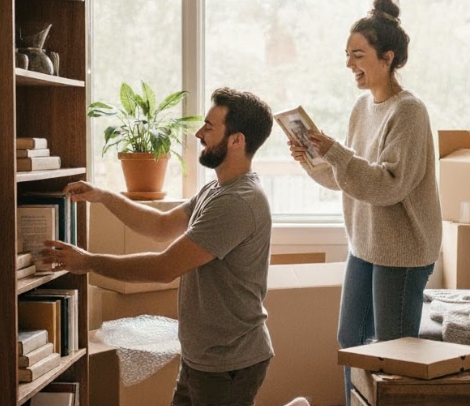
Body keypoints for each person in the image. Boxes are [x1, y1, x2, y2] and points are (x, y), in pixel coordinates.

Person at [43, 87, 275, 406]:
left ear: (237, 140)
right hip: (201, 357)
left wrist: (88, 262)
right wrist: (104, 196)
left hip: (228, 363)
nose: (198, 133)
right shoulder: (216, 190)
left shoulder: (238, 202)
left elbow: (164, 267)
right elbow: (160, 226)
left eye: (209, 127)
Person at [287, 1, 442, 404]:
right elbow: (349, 178)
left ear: (387, 58)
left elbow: (388, 185)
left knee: (392, 352)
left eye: (358, 55)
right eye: (347, 56)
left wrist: (336, 153)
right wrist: (310, 158)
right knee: (351, 341)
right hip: (366, 245)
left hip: (403, 250)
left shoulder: (409, 112)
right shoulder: (362, 108)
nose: (350, 65)